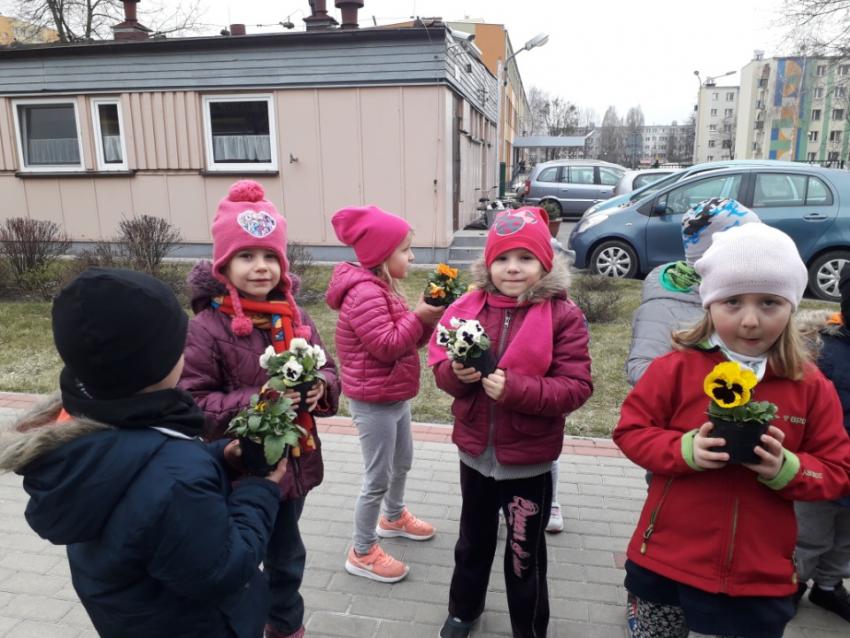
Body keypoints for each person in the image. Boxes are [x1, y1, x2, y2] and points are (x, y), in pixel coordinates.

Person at [0, 268, 285, 638]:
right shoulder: (174, 475)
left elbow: (140, 480)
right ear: (156, 364)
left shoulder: (83, 432)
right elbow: (222, 570)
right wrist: (260, 489)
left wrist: (219, 458)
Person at [614, 223, 850, 638]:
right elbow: (631, 431)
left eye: (770, 303)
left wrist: (788, 468)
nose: (750, 320)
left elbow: (836, 469)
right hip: (666, 559)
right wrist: (683, 450)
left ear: (792, 307)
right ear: (709, 304)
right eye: (733, 302)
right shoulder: (676, 369)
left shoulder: (810, 386)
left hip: (759, 574)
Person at [180, 180, 340, 638]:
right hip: (239, 468)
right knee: (241, 561)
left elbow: (328, 368)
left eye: (270, 256)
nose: (261, 266)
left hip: (295, 463)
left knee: (287, 558)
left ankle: (285, 627)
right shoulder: (207, 327)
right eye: (247, 256)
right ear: (224, 263)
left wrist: (320, 388)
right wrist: (260, 399)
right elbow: (193, 404)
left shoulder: (294, 317)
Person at [429, 206, 593, 638]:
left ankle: (529, 626)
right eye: (502, 258)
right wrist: (456, 375)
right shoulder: (467, 309)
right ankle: (463, 610)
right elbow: (442, 371)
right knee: (472, 541)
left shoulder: (562, 316)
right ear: (488, 264)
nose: (513, 268)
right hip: (475, 453)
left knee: (524, 554)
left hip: (528, 460)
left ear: (545, 262)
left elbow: (576, 387)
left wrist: (516, 389)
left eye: (525, 258)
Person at [326, 205, 444, 583]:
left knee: (402, 462)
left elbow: (408, 342)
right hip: (373, 402)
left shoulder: (384, 289)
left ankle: (393, 517)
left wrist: (428, 319)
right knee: (377, 477)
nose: (412, 257)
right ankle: (362, 551)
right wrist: (419, 317)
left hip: (393, 395)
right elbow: (387, 346)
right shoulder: (365, 294)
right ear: (382, 255)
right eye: (406, 250)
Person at [626, 198, 761, 387]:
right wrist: (711, 383)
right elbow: (641, 370)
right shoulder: (662, 307)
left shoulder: (750, 295)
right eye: (751, 248)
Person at [793, 264, 850, 622]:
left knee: (846, 538)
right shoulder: (823, 347)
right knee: (808, 533)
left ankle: (828, 586)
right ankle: (792, 582)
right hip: (822, 462)